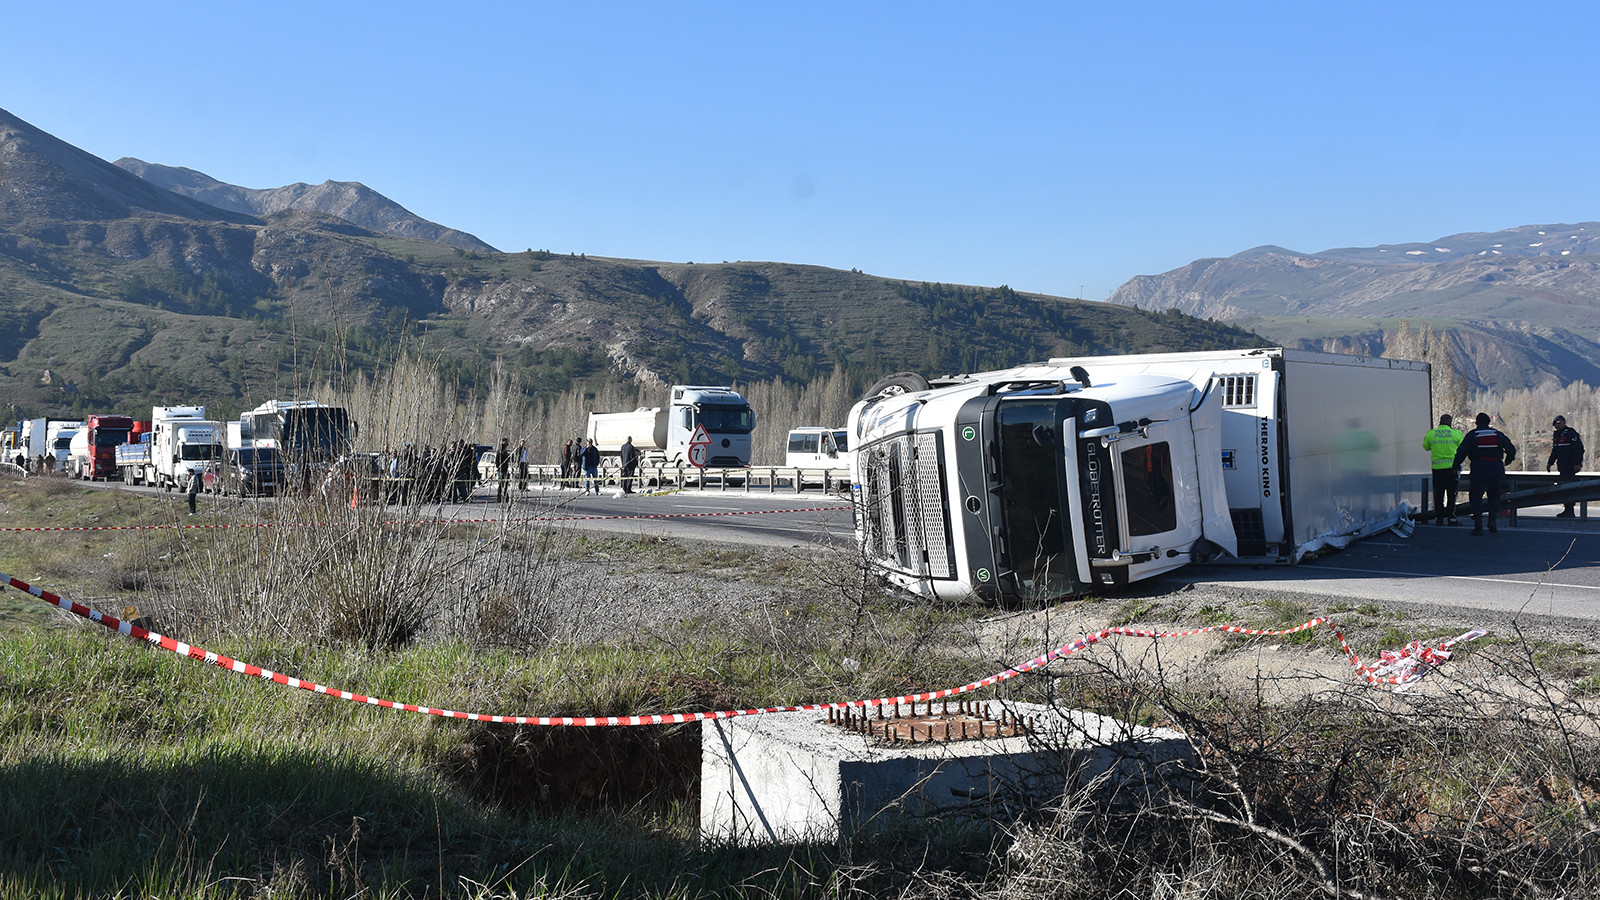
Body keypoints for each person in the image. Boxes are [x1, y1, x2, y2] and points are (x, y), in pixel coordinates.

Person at [1453, 412, 1517, 536]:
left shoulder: (1473, 435)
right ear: (1489, 422)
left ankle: (1478, 526)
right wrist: (1508, 460)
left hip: (1479, 470)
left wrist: (1455, 466)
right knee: (1494, 496)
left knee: (1476, 498)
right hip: (1495, 470)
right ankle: (1492, 520)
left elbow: (1461, 452)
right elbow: (1511, 449)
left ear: (1476, 423)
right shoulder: (1497, 434)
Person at [1422, 414, 1465, 525]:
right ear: (1450, 423)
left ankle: (1439, 519)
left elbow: (1426, 447)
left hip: (1437, 470)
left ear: (1440, 422)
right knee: (1452, 495)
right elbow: (1462, 449)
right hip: (1452, 470)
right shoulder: (1456, 434)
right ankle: (1451, 518)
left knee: (1438, 495)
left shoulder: (1431, 434)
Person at [1547, 415, 1586, 518]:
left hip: (1570, 466)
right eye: (1555, 424)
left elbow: (1579, 449)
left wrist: (1577, 463)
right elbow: (1555, 451)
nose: (1557, 426)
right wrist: (1550, 463)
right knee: (1564, 488)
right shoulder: (1557, 436)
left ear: (1564, 423)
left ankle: (1570, 510)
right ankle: (1567, 509)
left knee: (1569, 488)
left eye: (1559, 423)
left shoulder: (1570, 433)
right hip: (1562, 466)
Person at [495, 437, 511, 502]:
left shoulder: (506, 453)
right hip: (500, 470)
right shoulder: (499, 452)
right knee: (501, 484)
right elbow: (497, 461)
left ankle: (505, 496)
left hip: (505, 469)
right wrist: (499, 467)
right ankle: (499, 497)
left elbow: (508, 460)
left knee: (506, 483)